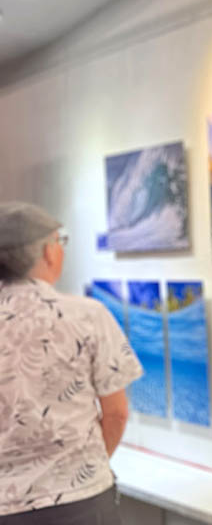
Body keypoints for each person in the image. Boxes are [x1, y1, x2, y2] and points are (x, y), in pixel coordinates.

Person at [0, 202, 143, 524]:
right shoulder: (87, 316)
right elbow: (116, 413)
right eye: (59, 242)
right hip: (82, 501)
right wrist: (84, 468)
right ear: (49, 253)